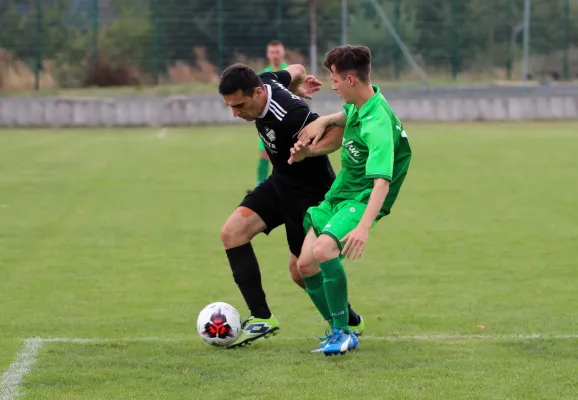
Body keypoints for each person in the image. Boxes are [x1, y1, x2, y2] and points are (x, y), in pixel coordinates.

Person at [218, 62, 365, 349]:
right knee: (231, 233)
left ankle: (350, 321)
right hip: (280, 183)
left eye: (239, 105)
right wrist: (297, 83)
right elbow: (296, 67)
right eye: (230, 107)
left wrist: (310, 150)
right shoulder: (267, 80)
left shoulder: (291, 114)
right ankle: (262, 317)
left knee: (301, 272)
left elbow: (335, 132)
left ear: (259, 93)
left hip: (311, 195)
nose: (235, 113)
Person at [290, 45, 412, 356]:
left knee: (324, 249)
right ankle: (339, 329)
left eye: (333, 80)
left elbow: (382, 182)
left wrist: (364, 227)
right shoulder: (362, 104)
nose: (331, 86)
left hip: (364, 196)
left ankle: (343, 332)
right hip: (341, 193)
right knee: (304, 265)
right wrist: (322, 123)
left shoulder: (377, 123)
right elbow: (348, 114)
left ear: (350, 80)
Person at [250, 40, 289, 193]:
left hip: (285, 123)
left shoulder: (289, 72)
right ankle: (259, 187)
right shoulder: (262, 75)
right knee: (264, 154)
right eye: (272, 52)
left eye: (277, 52)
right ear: (268, 54)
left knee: (285, 159)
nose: (275, 55)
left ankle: (285, 188)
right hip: (267, 122)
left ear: (283, 53)